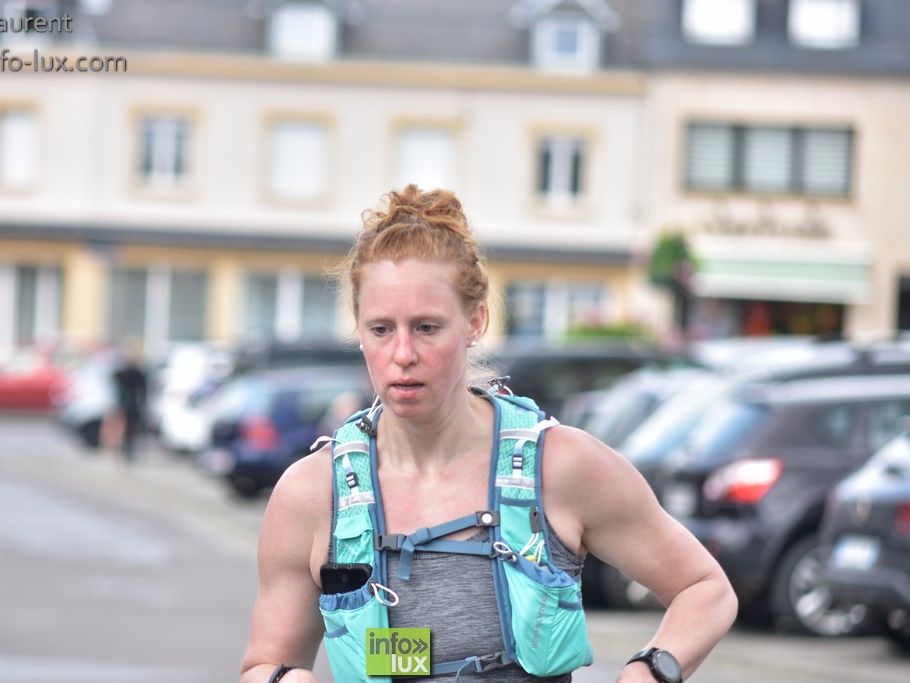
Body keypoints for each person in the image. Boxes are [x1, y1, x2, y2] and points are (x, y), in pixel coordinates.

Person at [240, 185, 737, 683]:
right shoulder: (314, 494)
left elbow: (705, 588)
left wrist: (650, 669)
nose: (403, 353)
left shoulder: (560, 468)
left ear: (475, 322)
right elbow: (264, 663)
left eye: (428, 327)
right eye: (381, 329)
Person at [111, 341, 148, 462]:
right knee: (124, 428)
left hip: (131, 403)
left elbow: (143, 390)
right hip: (126, 403)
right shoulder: (127, 372)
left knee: (130, 428)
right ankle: (121, 449)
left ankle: (127, 449)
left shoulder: (137, 373)